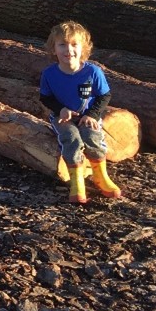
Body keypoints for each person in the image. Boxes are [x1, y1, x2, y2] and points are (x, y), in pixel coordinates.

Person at [39, 20, 123, 204]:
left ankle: (100, 176)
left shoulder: (93, 72)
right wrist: (60, 110)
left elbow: (104, 96)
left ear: (83, 48)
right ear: (54, 49)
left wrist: (92, 114)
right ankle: (77, 182)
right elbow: (45, 97)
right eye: (62, 45)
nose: (68, 50)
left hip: (87, 115)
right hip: (63, 117)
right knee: (71, 137)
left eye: (74, 44)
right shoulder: (49, 74)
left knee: (92, 135)